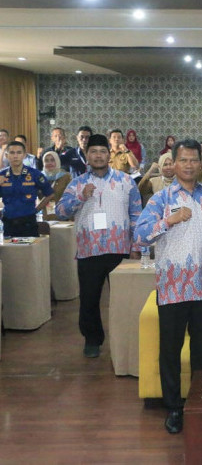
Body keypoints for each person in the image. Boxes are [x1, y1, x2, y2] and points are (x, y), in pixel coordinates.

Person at [134, 139, 202, 435]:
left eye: (193, 160)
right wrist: (169, 220)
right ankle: (174, 407)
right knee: (170, 350)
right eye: (183, 160)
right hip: (172, 288)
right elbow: (140, 237)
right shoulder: (160, 199)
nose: (188, 165)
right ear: (173, 164)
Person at [56, 134, 142, 358]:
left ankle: (126, 339)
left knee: (123, 299)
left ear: (109, 154)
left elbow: (136, 215)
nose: (98, 155)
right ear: (87, 155)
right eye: (93, 151)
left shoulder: (126, 181)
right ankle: (92, 339)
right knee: (89, 299)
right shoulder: (77, 183)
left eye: (102, 151)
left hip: (120, 250)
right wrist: (80, 198)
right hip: (89, 250)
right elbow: (60, 211)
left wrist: (137, 247)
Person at [0, 141, 54, 236]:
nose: (15, 156)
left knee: (30, 250)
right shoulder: (2, 175)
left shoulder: (34, 174)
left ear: (24, 155)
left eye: (19, 152)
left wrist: (37, 209)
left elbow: (50, 193)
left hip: (29, 222)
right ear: (7, 155)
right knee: (10, 250)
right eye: (12, 153)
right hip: (9, 223)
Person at [40, 151, 71, 219]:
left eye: (52, 160)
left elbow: (71, 199)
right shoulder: (39, 177)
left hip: (64, 218)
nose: (49, 163)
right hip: (45, 218)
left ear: (57, 161)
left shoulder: (66, 177)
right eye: (46, 161)